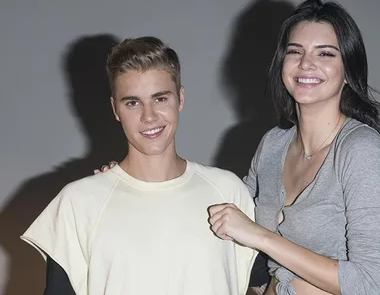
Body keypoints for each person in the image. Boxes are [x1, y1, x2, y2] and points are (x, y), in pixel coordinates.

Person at [21, 36, 257, 295]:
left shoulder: (228, 191)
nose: (149, 116)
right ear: (115, 109)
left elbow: (273, 285)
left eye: (160, 98)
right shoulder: (78, 203)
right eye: (133, 102)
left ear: (180, 99)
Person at [209, 0, 380, 295]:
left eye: (325, 53)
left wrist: (262, 238)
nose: (306, 64)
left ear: (348, 71)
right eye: (295, 51)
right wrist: (130, 178)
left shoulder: (360, 150)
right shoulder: (273, 144)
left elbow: (371, 282)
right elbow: (231, 217)